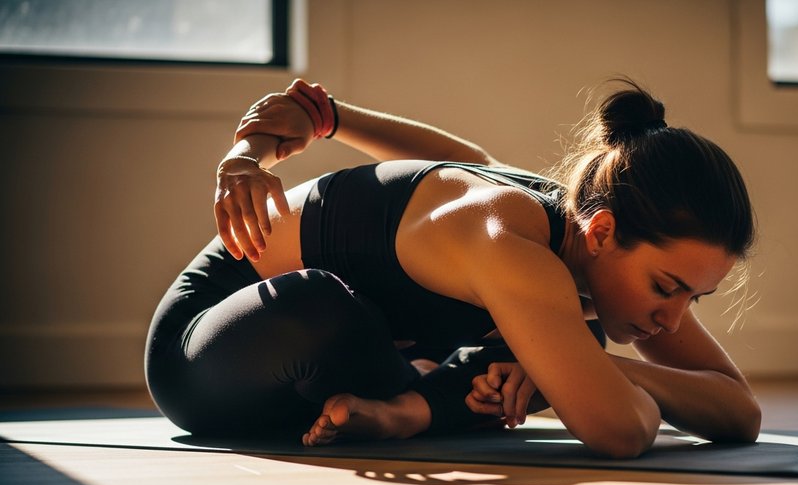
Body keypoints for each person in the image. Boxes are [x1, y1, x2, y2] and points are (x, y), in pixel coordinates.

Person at [144, 77, 760, 458]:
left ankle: (407, 401)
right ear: (602, 232)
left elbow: (739, 411)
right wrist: (587, 370)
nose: (672, 315)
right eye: (667, 287)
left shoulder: (591, 241)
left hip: (346, 363)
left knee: (561, 347)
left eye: (694, 298)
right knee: (326, 309)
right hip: (208, 351)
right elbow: (620, 432)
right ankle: (413, 396)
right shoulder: (509, 241)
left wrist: (331, 117)